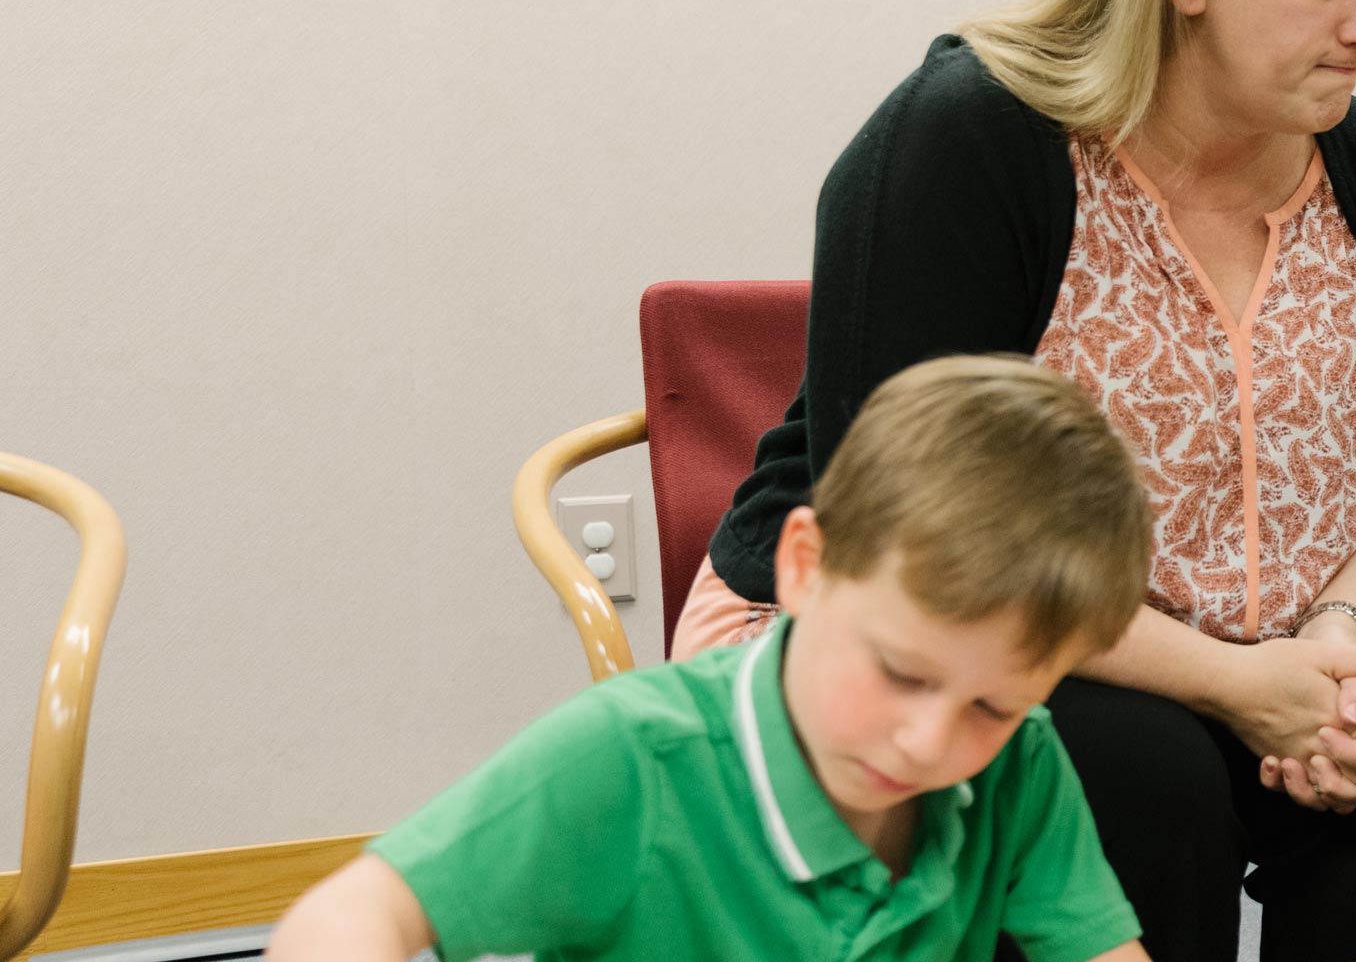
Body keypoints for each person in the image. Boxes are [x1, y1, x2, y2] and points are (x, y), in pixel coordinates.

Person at [670, 0, 1356, 957]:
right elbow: (907, 534)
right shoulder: (969, 136)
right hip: (944, 616)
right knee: (1140, 779)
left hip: (1264, 638)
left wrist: (1333, 636)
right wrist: (1232, 683)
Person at [269, 355, 1154, 960]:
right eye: (901, 673)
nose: (927, 742)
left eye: (990, 708)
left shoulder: (1021, 765)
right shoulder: (630, 757)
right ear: (803, 566)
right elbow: (349, 914)